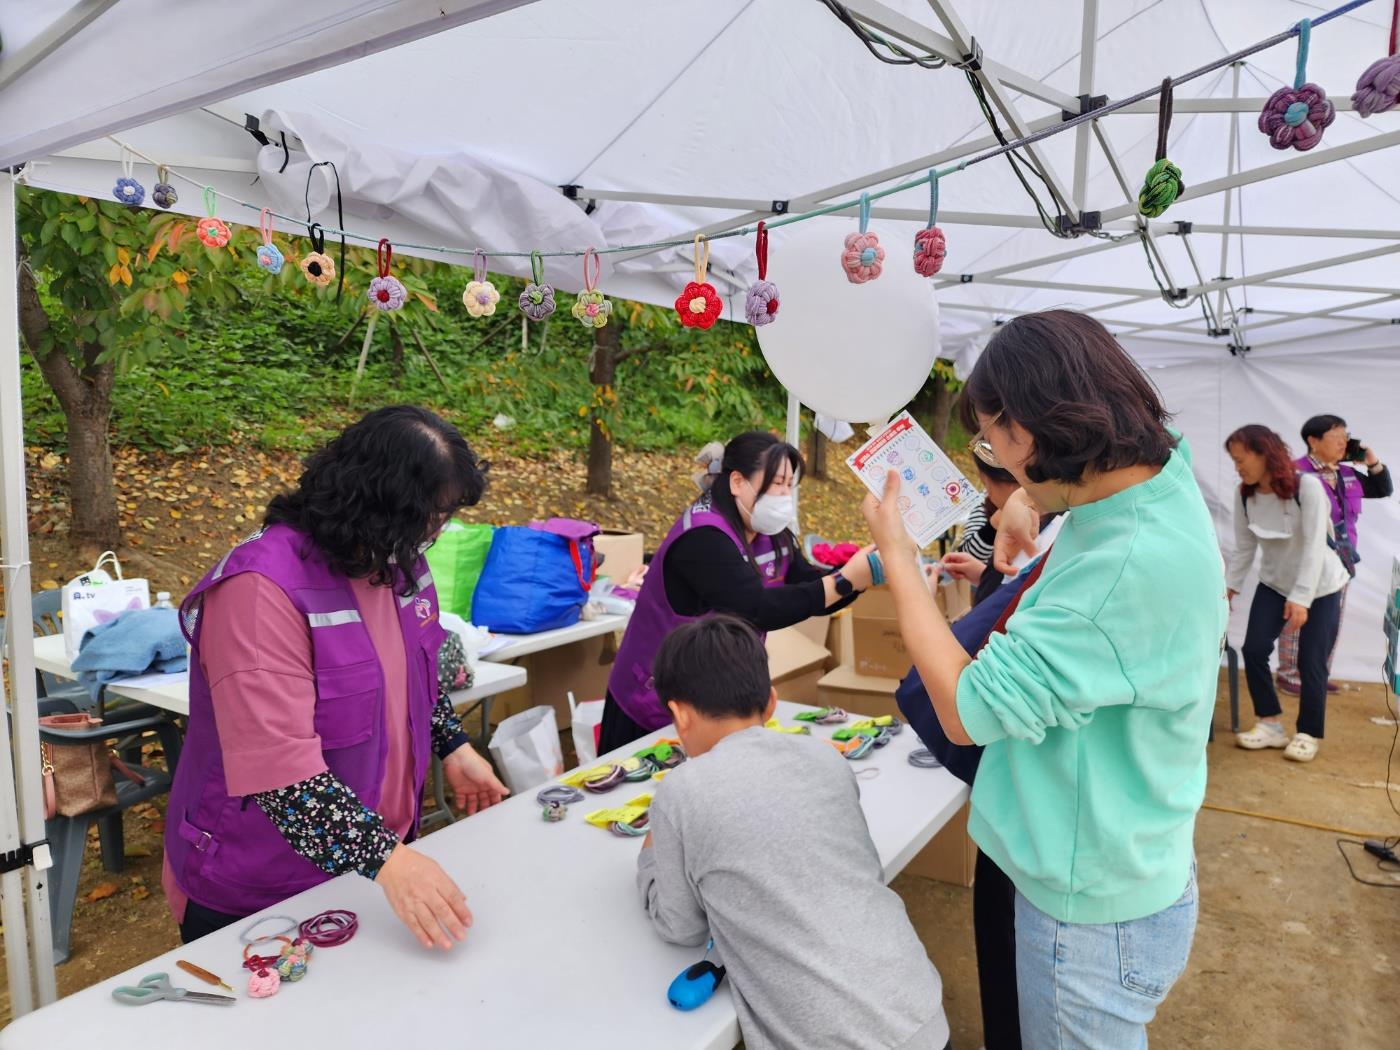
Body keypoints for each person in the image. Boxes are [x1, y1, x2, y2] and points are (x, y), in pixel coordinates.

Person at [862, 309, 1226, 1050]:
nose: (994, 460)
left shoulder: (1123, 569)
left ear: (1036, 429)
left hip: (1088, 913)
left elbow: (967, 710)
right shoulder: (1157, 475)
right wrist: (1029, 502)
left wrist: (897, 558)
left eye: (994, 441)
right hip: (1125, 859)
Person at [163, 406, 510, 949]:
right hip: (261, 885)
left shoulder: (396, 562)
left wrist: (454, 746)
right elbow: (283, 778)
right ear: (378, 505)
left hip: (366, 867)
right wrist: (390, 861)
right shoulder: (259, 592)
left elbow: (414, 674)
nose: (437, 533)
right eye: (433, 516)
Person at [637, 616, 951, 1050]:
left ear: (679, 715)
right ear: (770, 703)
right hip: (920, 1012)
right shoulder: (825, 758)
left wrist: (651, 857)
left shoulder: (679, 792)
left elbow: (681, 926)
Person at [598, 431, 874, 753]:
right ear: (737, 482)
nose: (785, 495)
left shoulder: (770, 533)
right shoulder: (702, 537)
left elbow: (806, 585)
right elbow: (758, 608)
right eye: (776, 483)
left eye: (789, 485)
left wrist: (860, 577)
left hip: (717, 695)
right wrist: (845, 581)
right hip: (657, 699)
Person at [897, 555, 1046, 1050]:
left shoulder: (1078, 556)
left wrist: (897, 557)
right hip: (1062, 833)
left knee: (1011, 939)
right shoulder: (1157, 532)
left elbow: (962, 710)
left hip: (1037, 835)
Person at [1225, 425, 1349, 762]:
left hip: (1320, 585)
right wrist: (1229, 588)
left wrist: (1301, 599)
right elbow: (1244, 548)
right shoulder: (1243, 495)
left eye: (1241, 459)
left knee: (1311, 661)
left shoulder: (1306, 487)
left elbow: (1313, 547)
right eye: (1234, 461)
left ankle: (1307, 732)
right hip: (1275, 582)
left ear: (1265, 453)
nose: (1238, 466)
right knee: (1254, 649)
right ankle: (1270, 724)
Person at [1274, 414, 1392, 696]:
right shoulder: (1294, 472)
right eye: (1336, 437)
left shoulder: (1347, 473)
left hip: (1341, 560)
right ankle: (1289, 675)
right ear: (1313, 441)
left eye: (1345, 437)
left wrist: (1372, 461)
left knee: (1329, 622)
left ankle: (1316, 672)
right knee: (1297, 616)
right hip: (1306, 558)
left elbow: (1383, 488)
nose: (1343, 443)